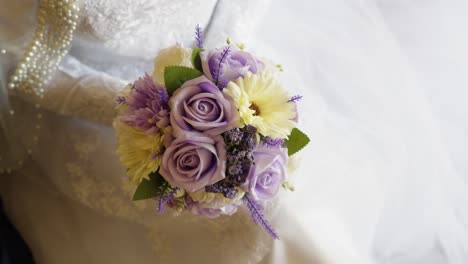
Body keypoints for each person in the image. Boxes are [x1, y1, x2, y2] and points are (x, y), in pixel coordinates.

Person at [1, 0, 467, 263]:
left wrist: (231, 88)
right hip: (102, 121)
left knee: (293, 204)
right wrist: (145, 114)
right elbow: (23, 70)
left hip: (236, 70)